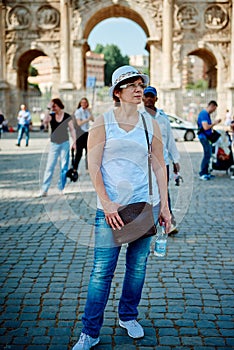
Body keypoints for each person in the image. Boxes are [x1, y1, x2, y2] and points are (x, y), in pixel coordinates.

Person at [72, 65, 171, 350]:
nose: (139, 89)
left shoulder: (150, 123)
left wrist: (164, 207)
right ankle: (90, 332)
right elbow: (93, 166)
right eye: (132, 85)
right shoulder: (102, 123)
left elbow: (159, 165)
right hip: (111, 209)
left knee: (137, 267)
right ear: (118, 91)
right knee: (102, 271)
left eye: (141, 84)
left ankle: (128, 316)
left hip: (144, 205)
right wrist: (106, 203)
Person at [141, 86, 180, 235]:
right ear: (143, 98)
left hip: (163, 162)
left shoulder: (163, 119)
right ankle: (145, 223)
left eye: (152, 96)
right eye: (147, 96)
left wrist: (175, 160)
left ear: (156, 98)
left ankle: (169, 222)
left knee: (164, 192)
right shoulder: (138, 118)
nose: (149, 99)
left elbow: (170, 141)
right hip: (144, 163)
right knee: (146, 192)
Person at [38, 98, 76, 197]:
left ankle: (61, 188)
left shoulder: (67, 116)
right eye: (52, 106)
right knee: (49, 167)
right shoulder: (51, 116)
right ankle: (44, 189)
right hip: (54, 144)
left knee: (64, 166)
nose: (53, 108)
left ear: (59, 105)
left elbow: (72, 129)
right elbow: (45, 122)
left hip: (65, 143)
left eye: (54, 106)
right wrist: (47, 108)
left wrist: (74, 141)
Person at [197, 100, 221, 180]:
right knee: (207, 154)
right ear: (212, 106)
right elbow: (205, 127)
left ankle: (206, 172)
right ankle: (203, 173)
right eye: (214, 109)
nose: (214, 111)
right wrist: (215, 123)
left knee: (209, 154)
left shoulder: (206, 114)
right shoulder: (204, 114)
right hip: (203, 137)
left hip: (206, 137)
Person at [73, 97, 94, 174]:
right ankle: (75, 168)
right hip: (80, 133)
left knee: (88, 151)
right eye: (82, 103)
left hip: (87, 132)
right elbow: (79, 123)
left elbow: (93, 119)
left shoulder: (87, 112)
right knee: (79, 152)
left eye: (85, 103)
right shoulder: (78, 112)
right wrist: (87, 119)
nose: (84, 104)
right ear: (80, 103)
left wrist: (90, 112)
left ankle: (87, 168)